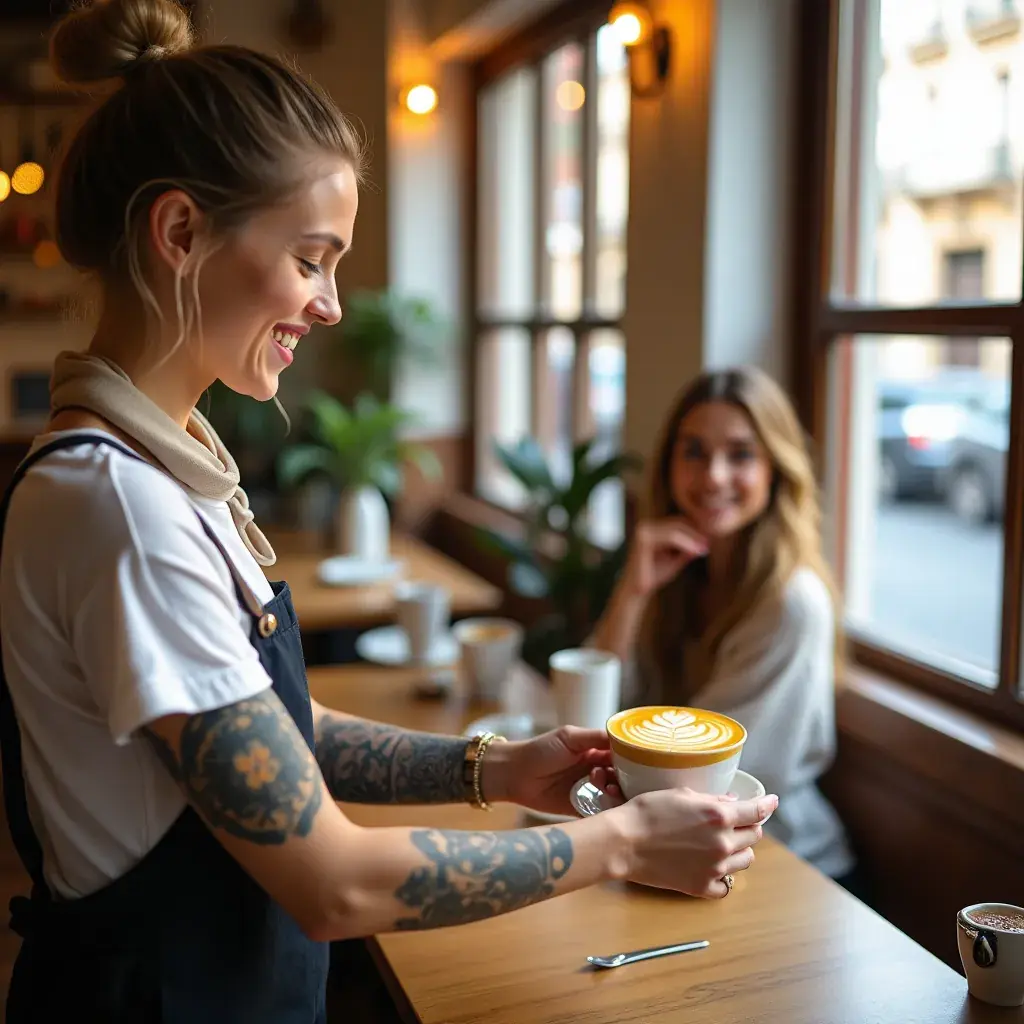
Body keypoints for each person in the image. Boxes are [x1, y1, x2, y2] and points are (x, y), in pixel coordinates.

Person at [0, 2, 776, 1021]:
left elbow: (274, 733)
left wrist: (493, 766)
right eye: (311, 257)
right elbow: (337, 883)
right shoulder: (122, 511)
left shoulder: (156, 474)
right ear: (181, 232)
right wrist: (620, 841)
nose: (328, 302)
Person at [590, 366, 862, 894]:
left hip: (790, 869)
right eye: (693, 451)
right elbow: (598, 708)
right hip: (681, 853)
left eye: (740, 454)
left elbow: (710, 779)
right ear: (669, 464)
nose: (713, 476)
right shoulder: (677, 572)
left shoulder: (790, 603)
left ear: (775, 470)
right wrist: (633, 593)